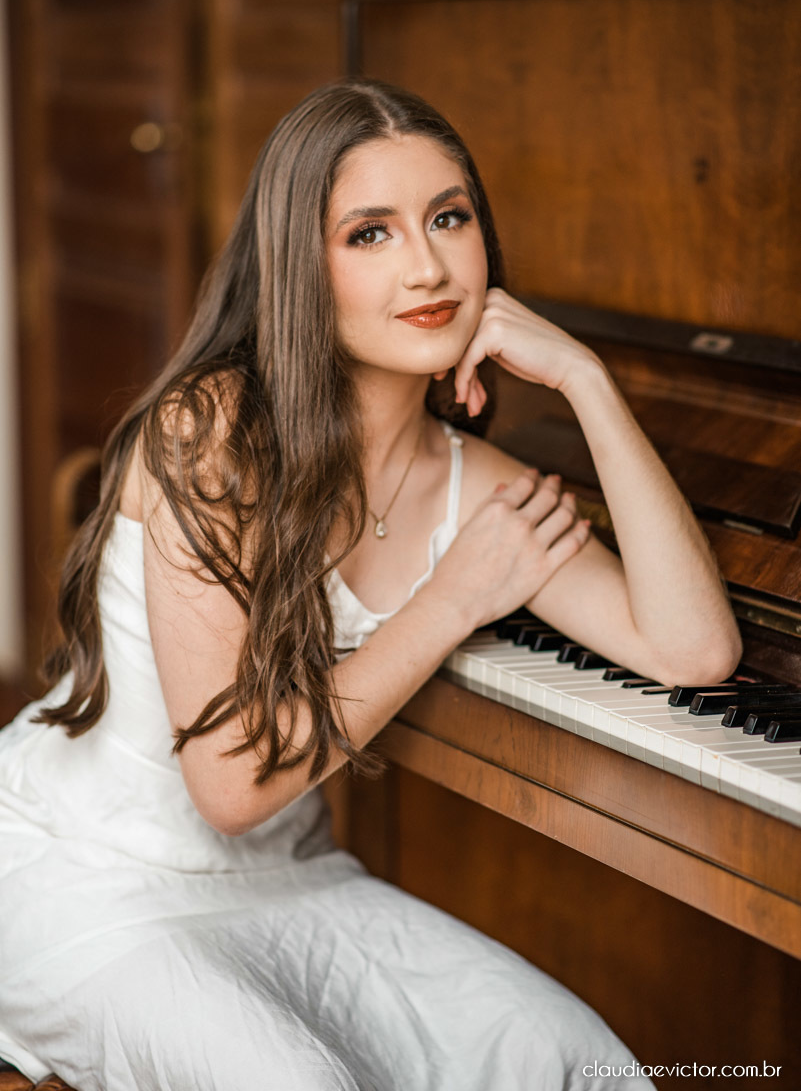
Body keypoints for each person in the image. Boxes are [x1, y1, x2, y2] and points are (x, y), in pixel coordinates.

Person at [0, 79, 740, 1091]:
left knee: (580, 1063)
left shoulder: (477, 485)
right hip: (86, 878)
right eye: (370, 234)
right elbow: (228, 784)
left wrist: (586, 382)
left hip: (291, 881)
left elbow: (693, 649)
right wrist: (452, 600)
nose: (429, 266)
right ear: (299, 266)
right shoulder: (209, 433)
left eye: (449, 218)